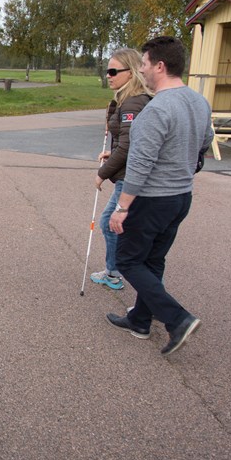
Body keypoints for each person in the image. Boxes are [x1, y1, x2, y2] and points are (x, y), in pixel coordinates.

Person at [106, 36, 213, 356]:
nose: (142, 69)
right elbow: (204, 143)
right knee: (153, 259)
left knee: (127, 259)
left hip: (152, 198)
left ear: (160, 66)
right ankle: (139, 319)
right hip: (181, 196)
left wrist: (122, 207)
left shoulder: (155, 110)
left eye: (145, 63)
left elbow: (139, 164)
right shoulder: (198, 102)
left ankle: (177, 319)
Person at [89, 48, 152, 291]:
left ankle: (116, 271)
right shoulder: (128, 102)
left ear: (131, 72)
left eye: (114, 71)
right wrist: (111, 153)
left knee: (110, 222)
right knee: (120, 224)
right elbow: (125, 141)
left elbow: (127, 146)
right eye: (107, 71)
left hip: (130, 177)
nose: (109, 75)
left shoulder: (133, 105)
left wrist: (102, 173)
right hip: (131, 173)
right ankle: (119, 269)